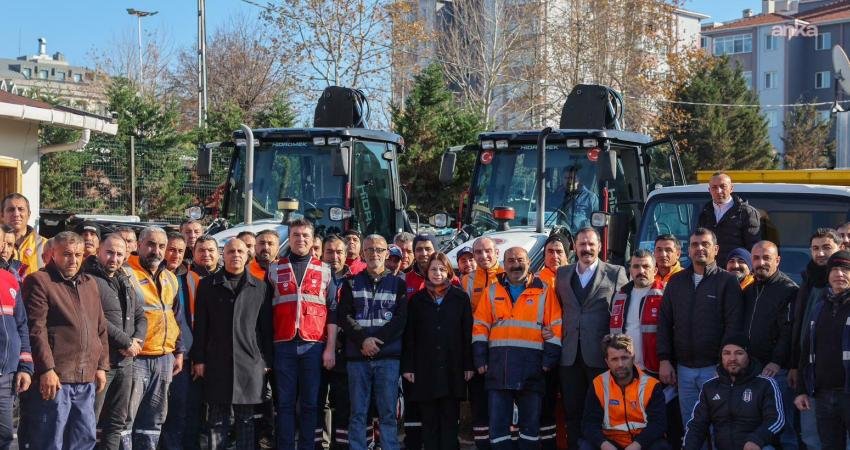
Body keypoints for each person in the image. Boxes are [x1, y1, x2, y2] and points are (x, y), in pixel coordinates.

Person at [19, 231, 108, 449]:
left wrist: (101, 366)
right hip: (56, 379)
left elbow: (100, 327)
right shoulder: (39, 281)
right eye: (67, 254)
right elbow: (36, 329)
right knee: (50, 441)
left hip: (86, 378)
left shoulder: (89, 283)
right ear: (53, 254)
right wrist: (47, 369)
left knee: (84, 440)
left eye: (78, 255)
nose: (73, 260)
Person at [473, 246, 562, 450]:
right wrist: (480, 358)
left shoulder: (544, 291)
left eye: (520, 260)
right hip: (499, 368)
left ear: (529, 263)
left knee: (530, 428)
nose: (516, 264)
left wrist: (548, 361)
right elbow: (480, 326)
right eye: (511, 260)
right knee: (498, 428)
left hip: (532, 368)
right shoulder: (492, 291)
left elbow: (556, 325)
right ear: (503, 265)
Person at [657, 227, 744, 429]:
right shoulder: (676, 282)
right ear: (688, 250)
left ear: (716, 249)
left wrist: (724, 364)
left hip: (715, 369)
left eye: (705, 244)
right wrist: (664, 359)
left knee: (718, 425)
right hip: (684, 370)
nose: (700, 248)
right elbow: (664, 322)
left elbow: (733, 326)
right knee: (691, 425)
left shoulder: (727, 281)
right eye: (695, 244)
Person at [191, 239, 273, 449]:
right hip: (217, 362)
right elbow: (201, 326)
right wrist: (199, 359)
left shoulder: (260, 287)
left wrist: (265, 361)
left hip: (249, 363)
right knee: (217, 420)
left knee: (246, 420)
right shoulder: (208, 285)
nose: (235, 255)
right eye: (230, 251)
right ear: (223, 255)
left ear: (247, 256)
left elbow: (265, 329)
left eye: (240, 251)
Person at [556, 227, 627, 450]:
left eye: (591, 244)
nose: (586, 248)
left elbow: (622, 313)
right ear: (574, 247)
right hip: (569, 356)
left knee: (602, 411)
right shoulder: (562, 274)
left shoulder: (616, 273)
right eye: (582, 244)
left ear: (600, 246)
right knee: (572, 411)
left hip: (601, 356)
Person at [270, 219, 337, 450]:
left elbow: (333, 312)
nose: (301, 239)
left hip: (314, 346)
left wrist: (330, 348)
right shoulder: (274, 269)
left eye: (305, 235)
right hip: (283, 344)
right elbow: (265, 312)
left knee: (310, 405)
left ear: (312, 239)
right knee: (285, 405)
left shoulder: (325, 270)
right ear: (289, 238)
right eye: (296, 235)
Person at [338, 234, 407, 450]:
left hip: (388, 357)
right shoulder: (351, 283)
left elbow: (400, 319)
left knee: (388, 412)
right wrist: (363, 340)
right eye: (369, 249)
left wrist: (377, 341)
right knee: (358, 412)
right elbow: (344, 316)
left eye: (379, 249)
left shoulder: (399, 284)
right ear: (362, 253)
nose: (374, 253)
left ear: (386, 254)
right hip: (357, 358)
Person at [402, 252, 473, 450]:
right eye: (433, 269)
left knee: (450, 421)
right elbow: (410, 336)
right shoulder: (416, 301)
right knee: (429, 422)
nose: (437, 273)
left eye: (442, 269)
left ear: (449, 272)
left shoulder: (460, 298)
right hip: (425, 369)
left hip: (452, 368)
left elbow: (467, 334)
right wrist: (408, 366)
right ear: (427, 272)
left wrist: (468, 365)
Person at [83, 234, 147, 450]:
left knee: (116, 421)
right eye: (109, 252)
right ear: (98, 251)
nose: (114, 258)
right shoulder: (88, 279)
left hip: (125, 363)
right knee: (90, 420)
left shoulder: (125, 279)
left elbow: (141, 315)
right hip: (101, 363)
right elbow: (96, 318)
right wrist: (126, 342)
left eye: (119, 254)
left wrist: (137, 339)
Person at [126, 226, 185, 450]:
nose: (156, 251)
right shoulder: (126, 274)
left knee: (153, 421)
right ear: (139, 245)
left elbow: (176, 317)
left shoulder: (170, 278)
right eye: (151, 244)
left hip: (164, 358)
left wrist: (179, 351)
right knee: (127, 418)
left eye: (161, 246)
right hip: (136, 358)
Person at [162, 235, 220, 450]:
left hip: (192, 355)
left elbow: (202, 322)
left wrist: (198, 356)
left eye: (179, 250)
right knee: (173, 412)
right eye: (170, 249)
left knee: (191, 411)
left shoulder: (193, 280)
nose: (175, 255)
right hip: (166, 354)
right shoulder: (156, 277)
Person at [684, 334, 785, 450]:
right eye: (726, 353)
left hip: (759, 446)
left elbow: (776, 420)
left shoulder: (765, 384)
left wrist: (757, 440)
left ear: (748, 356)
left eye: (739, 353)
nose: (732, 358)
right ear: (721, 357)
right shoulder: (710, 387)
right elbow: (697, 425)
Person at [789, 228, 841, 450]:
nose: (820, 253)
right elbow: (799, 327)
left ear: (840, 248)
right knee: (811, 436)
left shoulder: (842, 285)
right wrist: (795, 365)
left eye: (826, 248)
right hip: (809, 371)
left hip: (839, 379)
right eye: (815, 248)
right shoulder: (807, 279)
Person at [745, 240, 798, 450]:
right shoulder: (750, 290)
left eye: (766, 258)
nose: (761, 263)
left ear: (778, 260)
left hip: (777, 372)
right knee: (758, 425)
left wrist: (776, 362)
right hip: (752, 368)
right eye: (756, 258)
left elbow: (788, 331)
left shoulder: (789, 290)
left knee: (784, 427)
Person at [794, 250, 850, 450]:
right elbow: (806, 351)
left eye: (845, 269)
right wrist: (801, 390)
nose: (839, 274)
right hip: (823, 396)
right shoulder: (819, 307)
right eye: (834, 269)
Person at [582, 334, 668, 450]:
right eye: (614, 359)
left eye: (624, 358)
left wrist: (635, 446)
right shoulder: (598, 384)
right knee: (586, 446)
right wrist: (605, 445)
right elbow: (589, 424)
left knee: (661, 447)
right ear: (607, 362)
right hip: (610, 443)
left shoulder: (652, 385)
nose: (620, 364)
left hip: (642, 443)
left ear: (633, 358)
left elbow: (658, 424)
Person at [461, 237, 503, 450]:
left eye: (488, 251)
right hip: (476, 349)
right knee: (478, 402)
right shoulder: (466, 280)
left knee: (502, 401)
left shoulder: (506, 275)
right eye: (478, 252)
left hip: (502, 350)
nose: (483, 256)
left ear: (497, 252)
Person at [536, 234, 570, 450]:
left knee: (571, 404)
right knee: (546, 404)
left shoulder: (575, 276)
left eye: (559, 251)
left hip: (573, 351)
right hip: (545, 351)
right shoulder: (535, 280)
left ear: (568, 255)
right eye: (550, 251)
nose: (555, 256)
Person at [0, 226, 32, 450]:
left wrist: (25, 367)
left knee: (4, 437)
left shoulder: (10, 280)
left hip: (6, 377)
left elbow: (22, 325)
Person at [609, 250, 663, 375]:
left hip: (654, 367)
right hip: (625, 368)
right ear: (630, 270)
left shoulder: (664, 294)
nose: (641, 271)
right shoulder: (619, 295)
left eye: (646, 266)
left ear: (655, 270)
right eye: (636, 266)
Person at [696, 172, 761, 265]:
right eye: (714, 187)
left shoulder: (747, 213)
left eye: (723, 186)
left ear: (731, 188)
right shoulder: (704, 213)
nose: (718, 191)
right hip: (710, 269)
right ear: (709, 190)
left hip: (736, 269)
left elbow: (754, 248)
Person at [2, 193, 46, 275]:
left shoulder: (45, 245)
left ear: (29, 214)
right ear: (2, 215)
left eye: (21, 209)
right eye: (11, 209)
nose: (16, 214)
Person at [547, 166, 599, 231]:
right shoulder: (554, 197)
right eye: (566, 178)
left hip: (580, 234)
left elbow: (597, 220)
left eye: (572, 178)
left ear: (578, 179)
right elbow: (546, 213)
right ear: (562, 179)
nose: (569, 181)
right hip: (555, 233)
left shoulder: (590, 198)